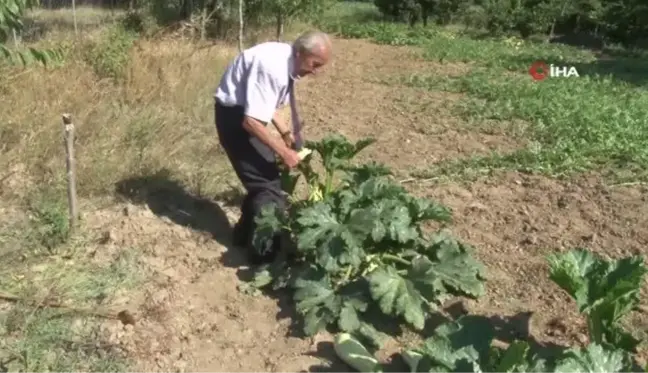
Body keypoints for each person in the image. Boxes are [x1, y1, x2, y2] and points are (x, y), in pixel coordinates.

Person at [213, 30, 332, 264]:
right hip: (235, 121)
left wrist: (286, 133)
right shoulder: (272, 68)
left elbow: (270, 106)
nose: (316, 71)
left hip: (243, 116)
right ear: (300, 53)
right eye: (314, 64)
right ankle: (262, 255)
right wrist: (284, 152)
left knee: (263, 180)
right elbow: (251, 121)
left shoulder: (287, 61)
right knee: (268, 187)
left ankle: (242, 236)